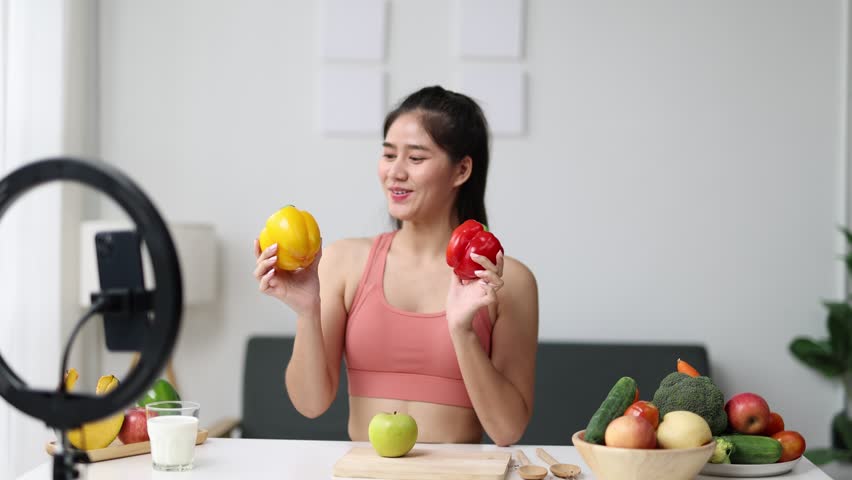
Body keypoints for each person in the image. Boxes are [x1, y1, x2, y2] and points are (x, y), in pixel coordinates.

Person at [253, 86, 539, 446]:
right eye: (389, 155)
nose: (395, 172)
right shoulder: (344, 262)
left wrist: (463, 332)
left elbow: (507, 430)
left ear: (462, 170)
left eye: (416, 159)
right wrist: (308, 311)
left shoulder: (506, 281)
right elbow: (310, 405)